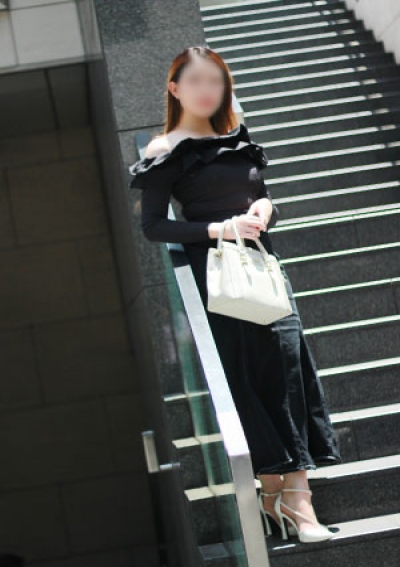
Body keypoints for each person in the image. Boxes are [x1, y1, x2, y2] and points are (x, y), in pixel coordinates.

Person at [128, 45, 342, 543]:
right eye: (196, 81)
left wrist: (265, 210)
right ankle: (290, 499)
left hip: (263, 267)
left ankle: (287, 495)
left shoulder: (237, 137)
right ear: (174, 88)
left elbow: (260, 195)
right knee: (249, 375)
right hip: (220, 276)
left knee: (288, 367)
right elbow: (154, 226)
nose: (207, 90)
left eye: (216, 81)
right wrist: (220, 229)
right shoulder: (163, 149)